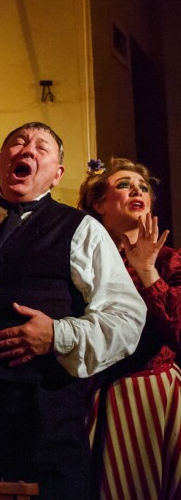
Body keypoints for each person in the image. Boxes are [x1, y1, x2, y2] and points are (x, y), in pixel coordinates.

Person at [0, 122, 146, 500]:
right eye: (17, 143)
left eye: (42, 148)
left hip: (44, 421)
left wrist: (57, 335)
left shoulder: (82, 229)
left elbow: (127, 317)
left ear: (57, 174)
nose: (28, 150)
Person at [78, 158, 181, 500]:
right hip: (95, 393)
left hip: (156, 393)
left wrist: (148, 272)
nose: (137, 189)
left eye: (143, 187)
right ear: (98, 202)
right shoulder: (81, 258)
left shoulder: (170, 260)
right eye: (123, 184)